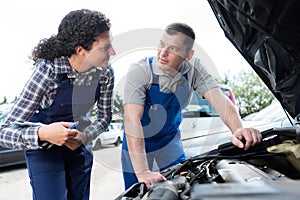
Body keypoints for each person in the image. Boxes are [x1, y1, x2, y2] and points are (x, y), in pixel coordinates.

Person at [121, 22, 262, 190]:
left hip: (169, 140)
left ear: (188, 55)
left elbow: (219, 99)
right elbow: (131, 120)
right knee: (137, 191)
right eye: (161, 45)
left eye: (173, 49)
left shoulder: (193, 70)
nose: (163, 54)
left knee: (182, 183)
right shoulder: (140, 71)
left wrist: (238, 130)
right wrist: (143, 171)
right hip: (136, 139)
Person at [0, 9, 115, 200]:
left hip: (78, 148)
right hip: (45, 151)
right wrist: (43, 133)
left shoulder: (105, 74)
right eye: (105, 47)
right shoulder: (48, 71)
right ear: (81, 50)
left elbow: (104, 117)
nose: (113, 52)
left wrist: (85, 135)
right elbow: (4, 131)